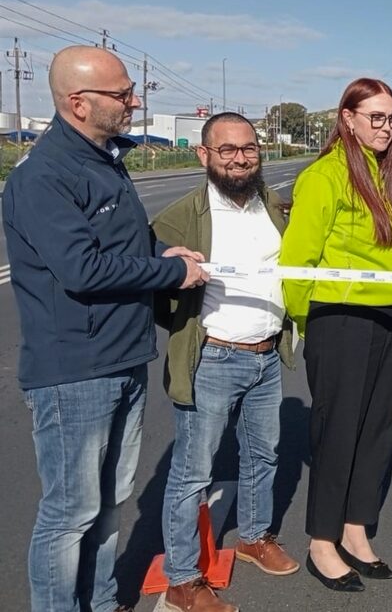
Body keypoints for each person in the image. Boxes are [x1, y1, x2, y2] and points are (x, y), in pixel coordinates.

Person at [2, 45, 208, 612]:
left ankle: (100, 599)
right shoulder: (44, 176)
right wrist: (172, 273)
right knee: (70, 512)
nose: (133, 101)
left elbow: (125, 242)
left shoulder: (104, 160)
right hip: (75, 371)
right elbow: (83, 268)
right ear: (78, 103)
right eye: (122, 94)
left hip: (123, 356)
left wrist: (164, 252)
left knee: (110, 500)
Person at [153, 113, 298, 612]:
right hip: (214, 358)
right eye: (227, 150)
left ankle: (255, 537)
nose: (240, 159)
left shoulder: (274, 207)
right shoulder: (181, 216)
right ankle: (182, 580)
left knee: (264, 455)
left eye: (248, 149)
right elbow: (155, 283)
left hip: (267, 355)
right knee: (193, 474)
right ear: (204, 155)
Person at [281, 78, 392, 592]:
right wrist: (307, 322)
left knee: (378, 430)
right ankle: (322, 541)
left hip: (391, 317)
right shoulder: (324, 177)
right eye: (375, 117)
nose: (386, 127)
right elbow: (298, 261)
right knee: (337, 432)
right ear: (348, 119)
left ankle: (356, 530)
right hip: (340, 321)